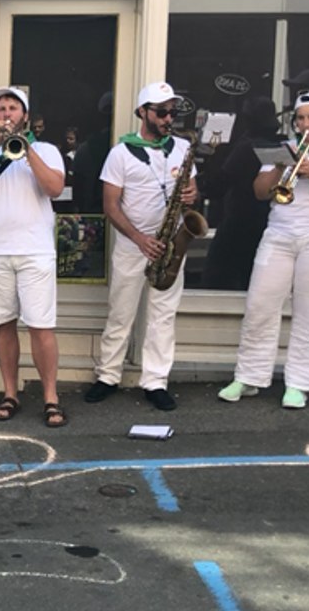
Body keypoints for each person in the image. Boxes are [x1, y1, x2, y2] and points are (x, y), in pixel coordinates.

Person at [219, 90, 309, 408]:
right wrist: (279, 167)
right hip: (281, 232)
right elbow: (259, 192)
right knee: (259, 305)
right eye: (300, 118)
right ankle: (249, 377)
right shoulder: (285, 148)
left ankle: (300, 383)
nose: (306, 124)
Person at [86, 82, 198, 411]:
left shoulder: (181, 148)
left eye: (172, 112)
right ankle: (108, 376)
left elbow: (192, 190)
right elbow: (110, 206)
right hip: (133, 243)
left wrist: (192, 195)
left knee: (163, 315)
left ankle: (156, 381)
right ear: (142, 112)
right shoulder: (120, 153)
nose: (168, 118)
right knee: (121, 312)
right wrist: (139, 239)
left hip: (171, 243)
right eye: (161, 112)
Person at [0, 87, 67, 427]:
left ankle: (50, 396)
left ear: (25, 116)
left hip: (34, 250)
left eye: (13, 108)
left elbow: (54, 188)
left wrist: (27, 150)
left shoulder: (46, 150)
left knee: (41, 326)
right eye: (1, 108)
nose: (6, 113)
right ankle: (10, 393)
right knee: (3, 325)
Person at [200, 96, 277, 290]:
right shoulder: (276, 144)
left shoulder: (246, 147)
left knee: (216, 278)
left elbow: (218, 185)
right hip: (265, 222)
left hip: (239, 222)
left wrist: (211, 157)